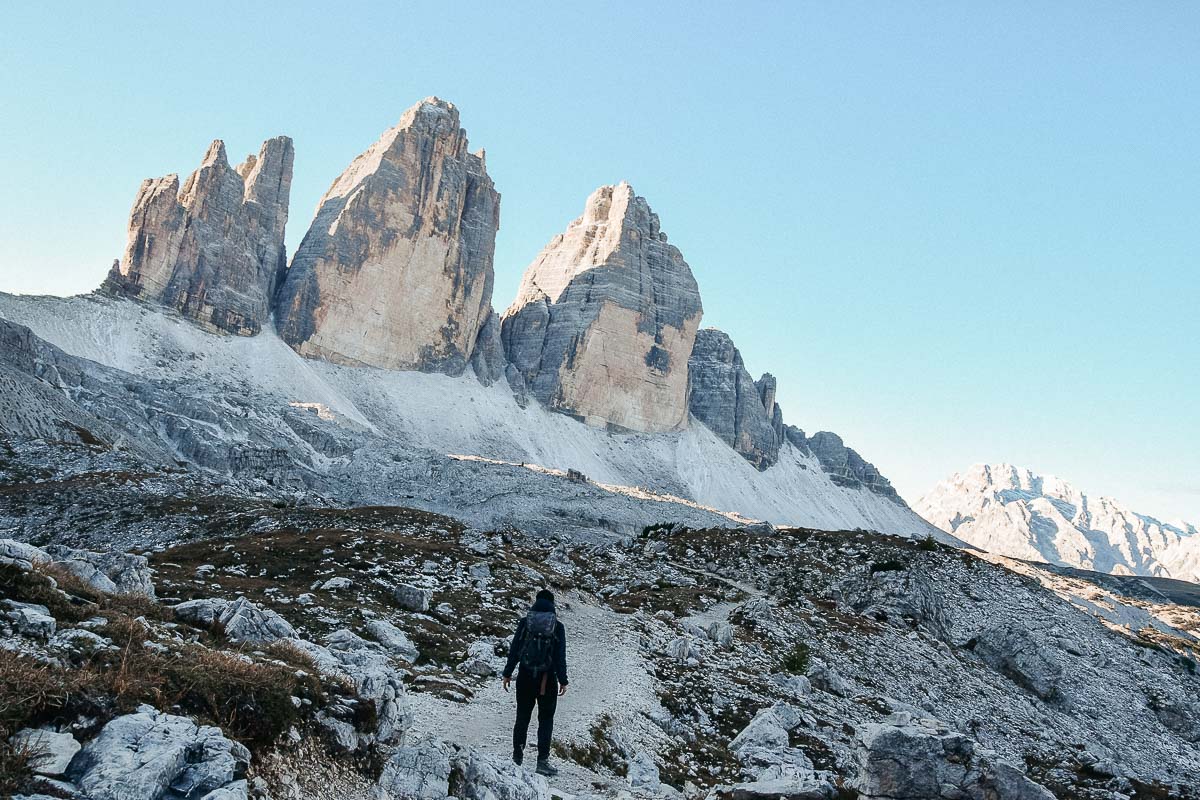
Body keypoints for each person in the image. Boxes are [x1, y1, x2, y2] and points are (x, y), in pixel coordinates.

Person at [503, 588, 568, 776]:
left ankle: (517, 758)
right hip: (547, 681)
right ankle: (542, 762)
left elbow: (515, 649)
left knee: (522, 716)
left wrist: (507, 673)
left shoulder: (525, 623)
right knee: (546, 720)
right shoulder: (558, 626)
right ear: (552, 605)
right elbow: (559, 657)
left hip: (524, 676)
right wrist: (563, 680)